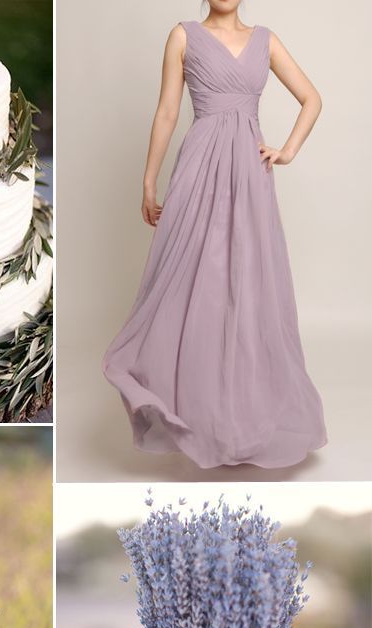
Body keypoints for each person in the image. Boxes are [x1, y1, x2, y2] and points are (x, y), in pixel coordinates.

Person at [103, 2, 327, 469]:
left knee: (246, 288)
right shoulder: (183, 35)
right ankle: (200, 415)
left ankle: (243, 416)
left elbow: (312, 98)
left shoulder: (266, 39)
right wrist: (149, 180)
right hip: (199, 169)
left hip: (248, 173)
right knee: (196, 285)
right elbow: (167, 112)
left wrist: (286, 150)